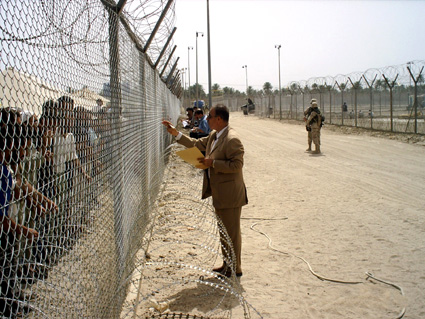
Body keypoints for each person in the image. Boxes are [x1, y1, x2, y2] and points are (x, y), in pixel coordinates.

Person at [162, 104, 248, 278]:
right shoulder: (214, 135)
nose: (207, 119)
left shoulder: (232, 139)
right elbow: (195, 143)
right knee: (224, 232)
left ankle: (235, 268)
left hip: (230, 195)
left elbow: (237, 165)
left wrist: (213, 163)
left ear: (219, 119)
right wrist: (176, 134)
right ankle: (227, 264)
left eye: (210, 117)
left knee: (232, 233)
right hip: (220, 192)